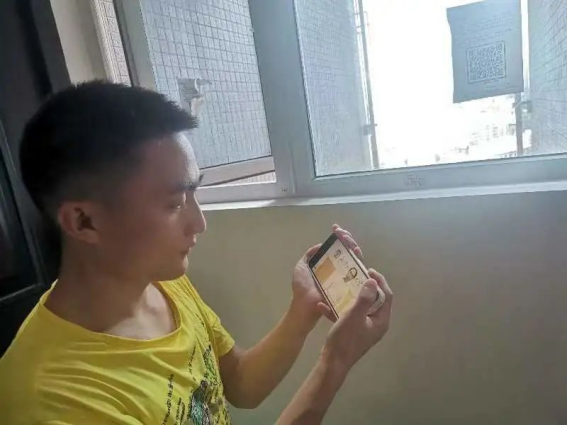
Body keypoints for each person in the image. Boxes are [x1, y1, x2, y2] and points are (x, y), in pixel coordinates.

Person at [0, 82, 393, 425]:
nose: (199, 222)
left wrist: (301, 311)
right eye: (174, 203)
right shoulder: (55, 401)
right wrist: (335, 363)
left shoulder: (162, 282)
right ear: (84, 221)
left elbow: (239, 383)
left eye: (194, 193)